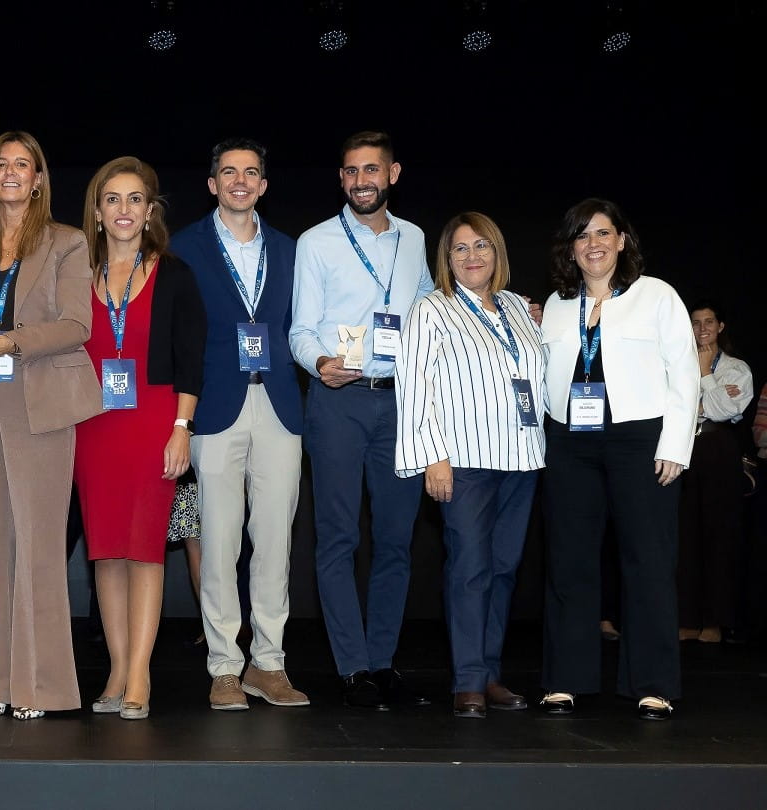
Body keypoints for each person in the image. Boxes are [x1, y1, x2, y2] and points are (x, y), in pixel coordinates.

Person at [0, 130, 101, 721]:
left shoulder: (67, 242)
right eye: (0, 164)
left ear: (38, 178)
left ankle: (40, 685)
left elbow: (76, 325)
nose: (10, 173)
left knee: (37, 547)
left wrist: (8, 341)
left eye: (22, 165)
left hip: (40, 403)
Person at [289, 130, 434, 711]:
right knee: (339, 538)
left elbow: (430, 306)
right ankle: (352, 667)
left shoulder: (417, 239)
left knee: (397, 541)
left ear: (393, 173)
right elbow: (300, 330)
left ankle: (382, 659)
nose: (360, 181)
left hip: (401, 400)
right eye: (350, 172)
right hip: (338, 404)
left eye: (371, 170)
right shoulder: (317, 242)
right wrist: (319, 362)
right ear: (341, 179)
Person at [537, 197, 697, 721]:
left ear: (622, 240)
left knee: (647, 561)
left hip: (640, 441)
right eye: (582, 236)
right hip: (570, 442)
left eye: (603, 233)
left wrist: (675, 445)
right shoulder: (559, 304)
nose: (594, 244)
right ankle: (565, 680)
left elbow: (685, 373)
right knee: (570, 560)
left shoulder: (656, 296)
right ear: (571, 248)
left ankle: (652, 683)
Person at [171, 138, 309, 712]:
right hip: (216, 407)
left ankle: (268, 664)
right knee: (221, 541)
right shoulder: (183, 248)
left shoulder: (292, 249)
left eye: (251, 172)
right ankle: (225, 666)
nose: (240, 181)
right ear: (212, 184)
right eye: (228, 172)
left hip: (278, 405)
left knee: (275, 542)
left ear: (264, 185)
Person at [394, 212, 546, 718]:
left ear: (497, 252)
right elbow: (414, 388)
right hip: (464, 462)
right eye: (460, 249)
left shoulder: (518, 309)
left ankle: (490, 673)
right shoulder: (430, 310)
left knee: (504, 570)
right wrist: (432, 457)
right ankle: (467, 683)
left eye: (481, 245)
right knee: (470, 571)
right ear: (447, 259)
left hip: (520, 459)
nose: (472, 256)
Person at [75, 156, 206, 720]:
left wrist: (182, 428)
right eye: (113, 200)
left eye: (134, 200)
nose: (123, 210)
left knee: (146, 551)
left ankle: (139, 675)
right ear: (98, 212)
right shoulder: (77, 273)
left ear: (149, 211)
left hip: (155, 423)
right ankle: (115, 669)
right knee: (106, 553)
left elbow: (190, 360)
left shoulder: (174, 274)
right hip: (94, 427)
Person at [676, 300, 751, 644]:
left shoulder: (737, 369)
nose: (702, 328)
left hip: (719, 451)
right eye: (695, 322)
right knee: (684, 534)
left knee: (719, 535)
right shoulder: (677, 364)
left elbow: (723, 411)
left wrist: (706, 376)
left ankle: (715, 621)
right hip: (682, 449)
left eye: (709, 322)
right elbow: (673, 408)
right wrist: (709, 398)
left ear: (721, 326)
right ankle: (687, 617)